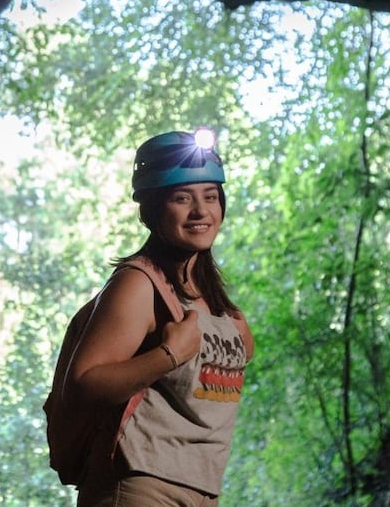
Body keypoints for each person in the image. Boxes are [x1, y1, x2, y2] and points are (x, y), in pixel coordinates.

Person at [66, 129, 255, 506]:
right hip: (141, 485)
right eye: (181, 198)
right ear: (151, 209)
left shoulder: (213, 299)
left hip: (201, 488)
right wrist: (167, 355)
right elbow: (83, 383)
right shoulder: (138, 283)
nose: (201, 211)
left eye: (211, 196)